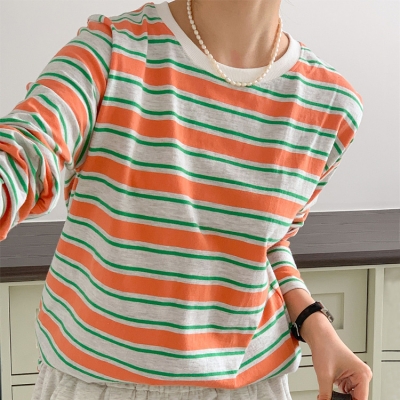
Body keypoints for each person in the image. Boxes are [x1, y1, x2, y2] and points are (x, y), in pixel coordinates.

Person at [0, 0, 372, 399]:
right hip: (96, 383)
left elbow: (268, 243)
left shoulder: (331, 104)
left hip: (249, 386)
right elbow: (26, 154)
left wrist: (313, 319)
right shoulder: (111, 51)